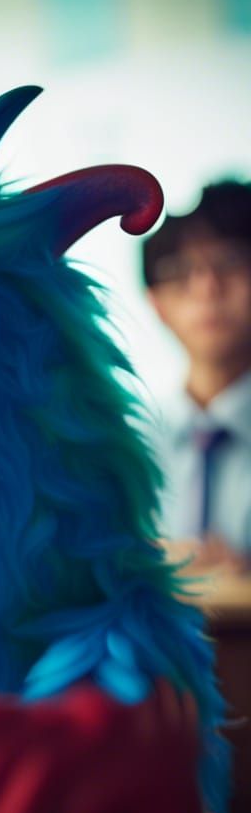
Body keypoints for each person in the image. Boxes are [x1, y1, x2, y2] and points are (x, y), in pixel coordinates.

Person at [143, 180, 251, 573]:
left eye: (231, 262)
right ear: (156, 303)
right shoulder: (125, 441)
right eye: (180, 271)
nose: (207, 288)